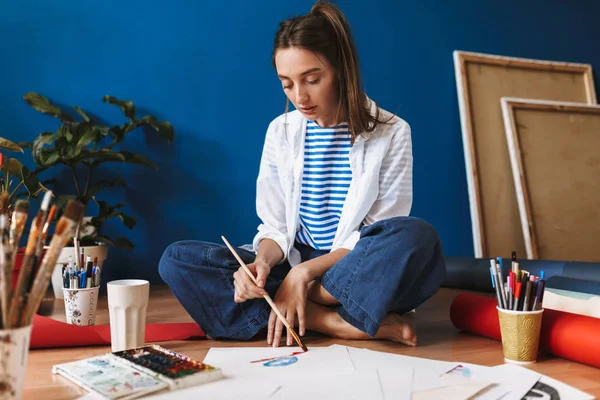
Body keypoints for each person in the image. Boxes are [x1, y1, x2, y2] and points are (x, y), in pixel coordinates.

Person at [159, 0, 446, 348]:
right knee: (177, 259)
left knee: (417, 237)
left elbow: (375, 233)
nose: (300, 96)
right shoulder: (280, 131)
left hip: (346, 271)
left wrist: (304, 275)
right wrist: (262, 264)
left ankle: (303, 304)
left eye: (312, 79)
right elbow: (276, 227)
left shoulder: (393, 132)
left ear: (341, 68)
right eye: (287, 84)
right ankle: (331, 321)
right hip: (294, 263)